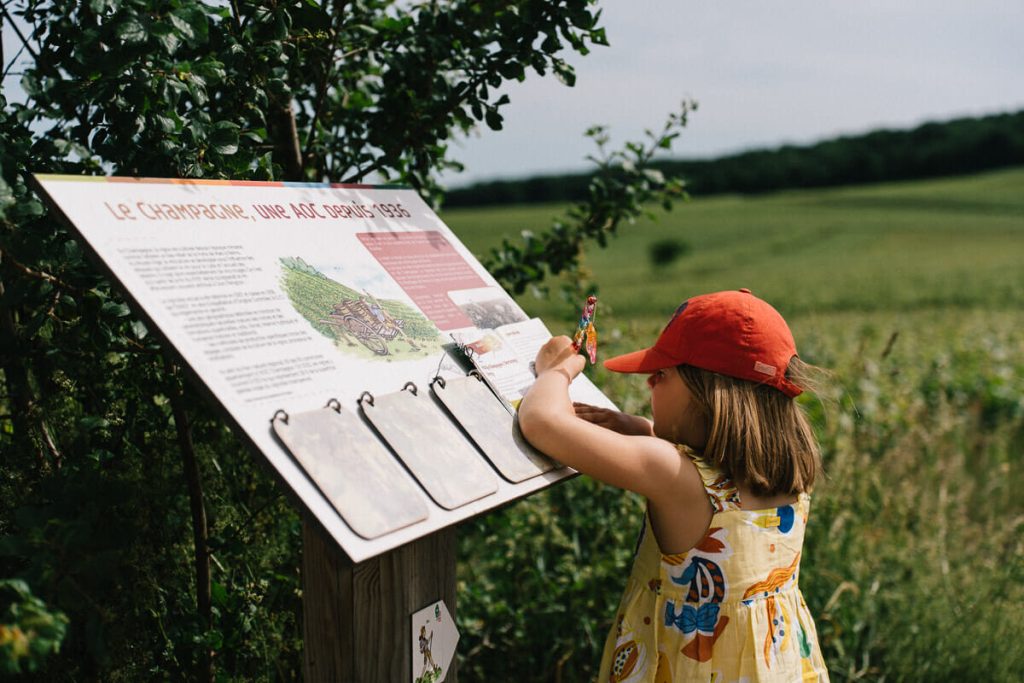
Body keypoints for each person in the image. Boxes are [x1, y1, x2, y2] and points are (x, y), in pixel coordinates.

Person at [518, 288, 829, 682]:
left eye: (662, 374)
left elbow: (542, 422)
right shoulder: (790, 472)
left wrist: (556, 371)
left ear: (707, 394)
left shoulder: (674, 475)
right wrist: (643, 429)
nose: (650, 383)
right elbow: (712, 468)